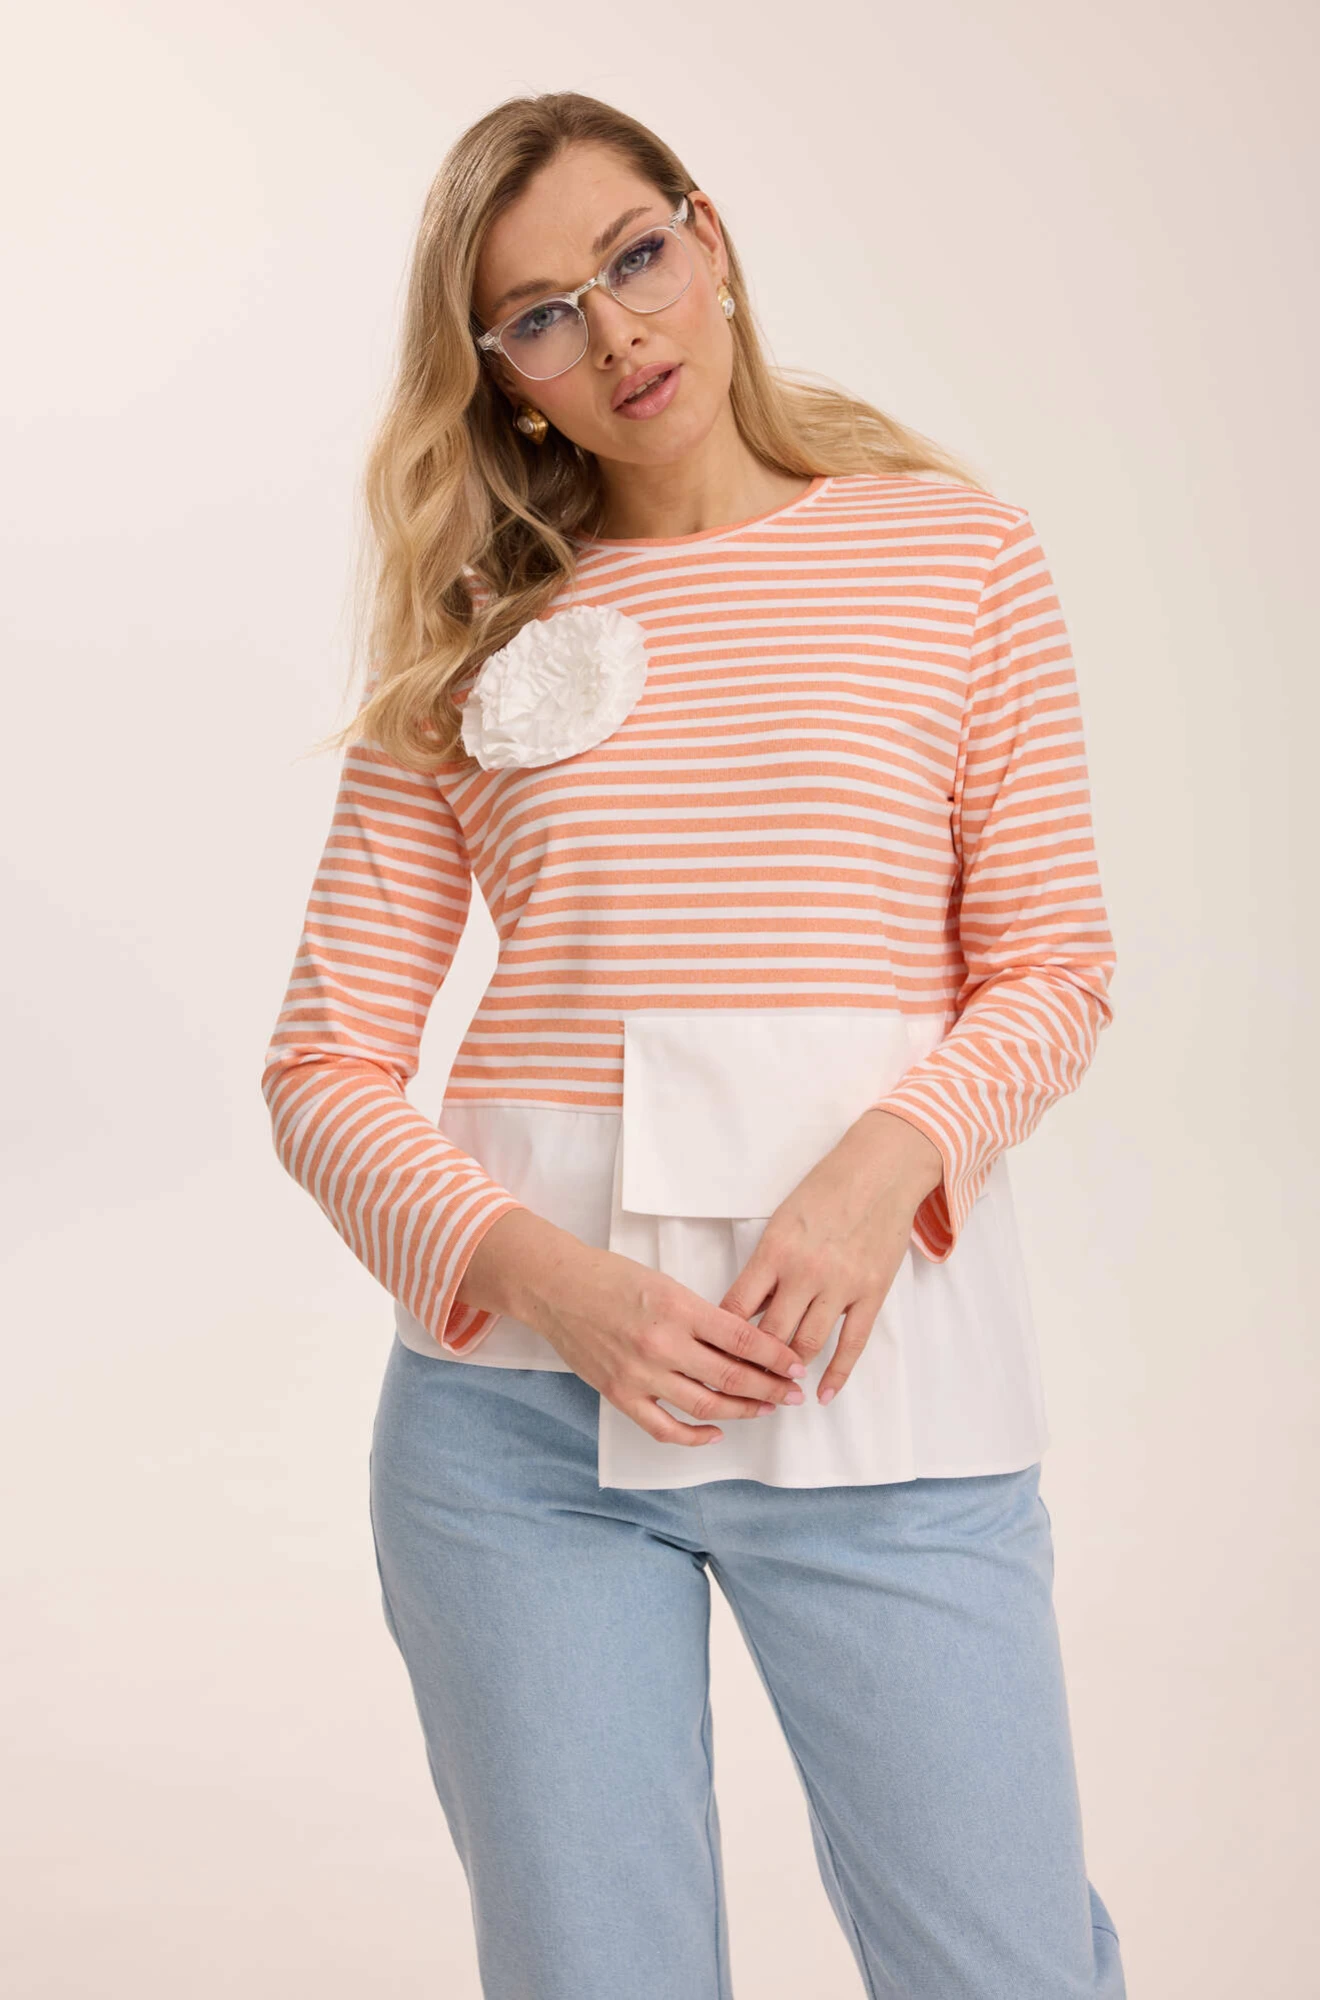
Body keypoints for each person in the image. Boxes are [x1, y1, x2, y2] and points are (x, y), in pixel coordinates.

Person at [261, 88, 1128, 2000]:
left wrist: (879, 1169)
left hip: (882, 1394)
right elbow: (322, 1069)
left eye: (634, 259)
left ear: (709, 237)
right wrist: (546, 1283)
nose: (616, 332)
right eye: (541, 315)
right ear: (502, 377)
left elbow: (1053, 967)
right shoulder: (474, 633)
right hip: (516, 1433)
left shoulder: (959, 558)